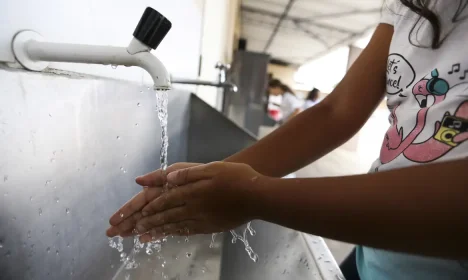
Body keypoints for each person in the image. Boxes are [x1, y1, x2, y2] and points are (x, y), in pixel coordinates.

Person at [107, 1, 468, 279]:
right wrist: (201, 184)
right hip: (376, 255)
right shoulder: (412, 6)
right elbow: (337, 111)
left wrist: (253, 195)